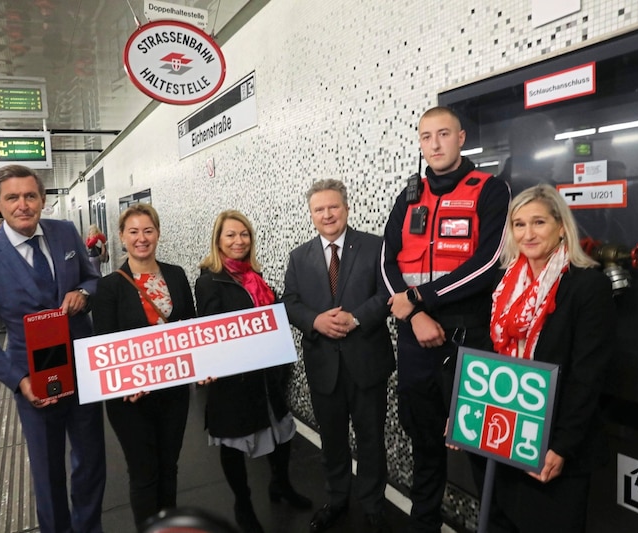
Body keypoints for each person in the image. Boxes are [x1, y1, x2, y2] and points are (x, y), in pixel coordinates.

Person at [381, 106, 510, 533]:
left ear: (461, 137)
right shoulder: (408, 196)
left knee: (482, 451)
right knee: (425, 448)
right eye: (425, 137)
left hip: (468, 342)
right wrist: (415, 314)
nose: (434, 144)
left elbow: (487, 263)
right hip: (416, 340)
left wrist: (419, 297)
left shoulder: (492, 190)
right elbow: (387, 263)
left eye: (443, 134)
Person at [0, 164, 106, 533]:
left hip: (83, 369)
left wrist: (84, 294)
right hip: (34, 381)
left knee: (91, 462)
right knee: (48, 470)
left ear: (42, 199)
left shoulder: (65, 233)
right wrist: (19, 380)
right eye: (12, 197)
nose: (22, 204)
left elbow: (92, 278)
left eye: (30, 195)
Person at [483, 184, 615, 533]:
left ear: (561, 226)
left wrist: (561, 445)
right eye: (519, 224)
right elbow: (494, 362)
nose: (528, 234)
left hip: (557, 448)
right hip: (512, 436)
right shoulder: (505, 285)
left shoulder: (588, 286)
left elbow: (588, 376)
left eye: (538, 222)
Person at [282, 179, 395, 533]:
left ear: (346, 208)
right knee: (331, 441)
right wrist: (315, 320)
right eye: (320, 209)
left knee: (371, 440)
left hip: (366, 363)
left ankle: (374, 505)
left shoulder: (376, 247)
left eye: (333, 207)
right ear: (311, 215)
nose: (327, 214)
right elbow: (289, 303)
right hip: (323, 366)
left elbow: (388, 294)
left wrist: (356, 317)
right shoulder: (299, 257)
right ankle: (337, 499)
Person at [195, 210, 311, 533]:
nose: (238, 241)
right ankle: (242, 503)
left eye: (244, 234)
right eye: (230, 235)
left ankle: (281, 484)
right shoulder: (209, 282)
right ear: (218, 241)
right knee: (234, 445)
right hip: (234, 381)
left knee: (282, 432)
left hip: (266, 376)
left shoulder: (255, 278)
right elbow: (211, 331)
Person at [92, 203, 195, 531]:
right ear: (121, 237)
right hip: (130, 398)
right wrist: (126, 382)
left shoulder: (176, 275)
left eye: (148, 230)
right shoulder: (109, 287)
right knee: (144, 472)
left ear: (158, 233)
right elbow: (106, 343)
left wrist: (204, 363)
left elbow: (190, 329)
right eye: (133, 231)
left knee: (169, 466)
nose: (141, 238)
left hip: (174, 391)